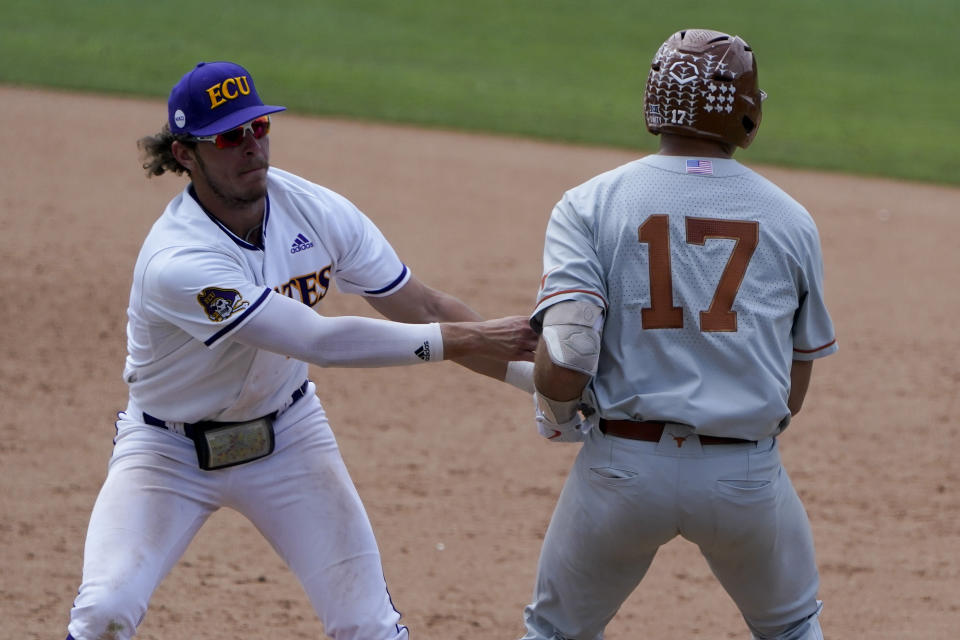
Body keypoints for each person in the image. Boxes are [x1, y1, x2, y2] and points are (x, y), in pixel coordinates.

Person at [64, 60, 538, 640]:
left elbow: (426, 308)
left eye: (258, 128)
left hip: (287, 439)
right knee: (104, 612)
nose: (251, 146)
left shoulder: (316, 210)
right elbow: (320, 341)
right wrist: (472, 337)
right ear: (185, 154)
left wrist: (540, 383)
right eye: (229, 136)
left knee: (367, 623)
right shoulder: (178, 261)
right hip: (167, 456)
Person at [521, 29, 837, 640]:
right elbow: (796, 381)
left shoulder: (589, 203)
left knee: (555, 632)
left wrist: (559, 413)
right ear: (746, 110)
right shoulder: (791, 219)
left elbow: (569, 352)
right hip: (743, 475)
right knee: (793, 627)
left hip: (622, 471)